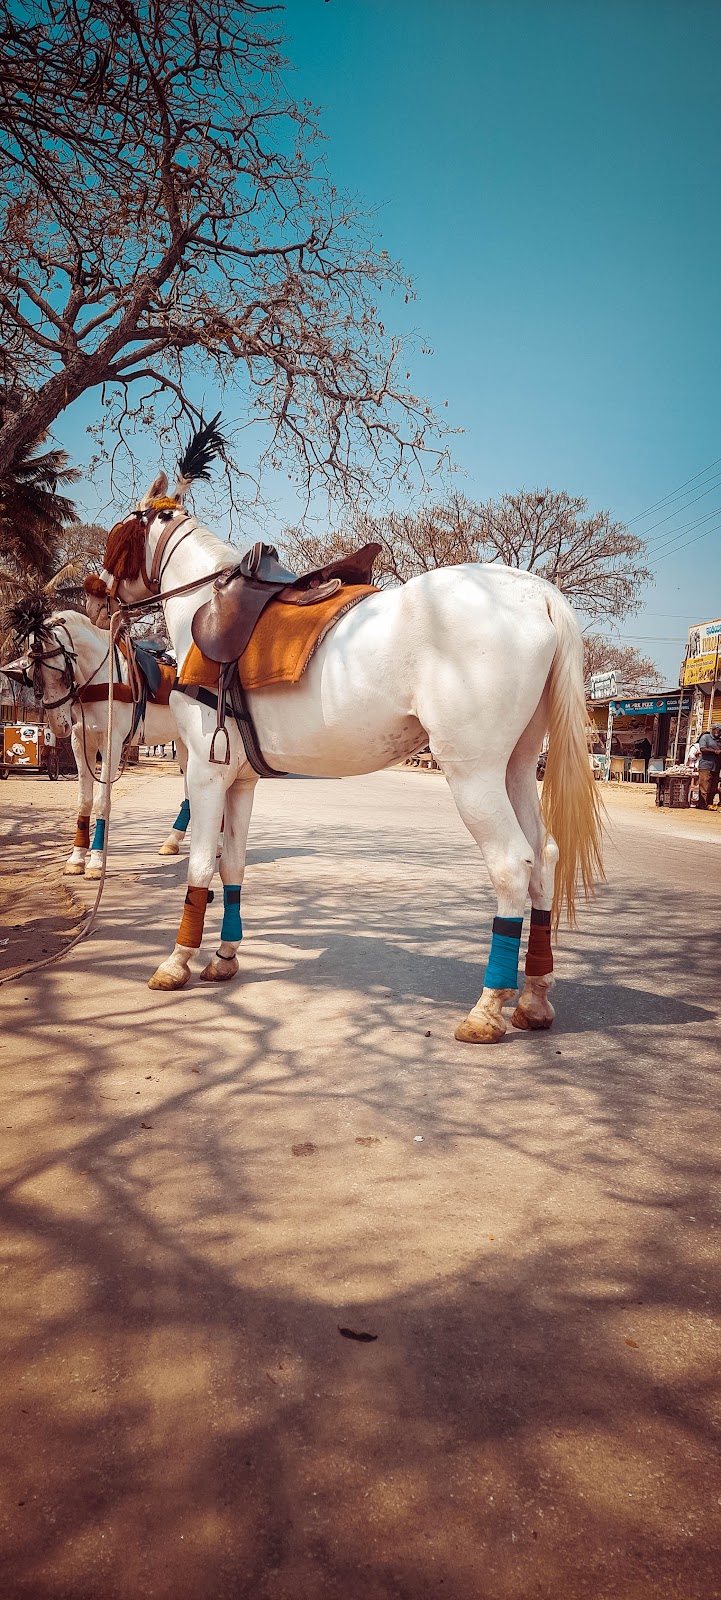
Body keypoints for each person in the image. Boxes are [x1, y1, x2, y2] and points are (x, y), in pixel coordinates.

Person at [697, 722, 721, 808]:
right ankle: (702, 804)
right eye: (719, 731)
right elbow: (702, 748)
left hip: (716, 767)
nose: (720, 733)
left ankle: (709, 804)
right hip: (706, 766)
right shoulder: (705, 737)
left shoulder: (719, 740)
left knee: (713, 787)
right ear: (714, 729)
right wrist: (715, 751)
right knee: (704, 786)